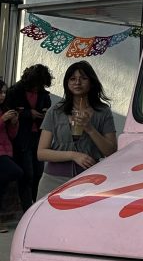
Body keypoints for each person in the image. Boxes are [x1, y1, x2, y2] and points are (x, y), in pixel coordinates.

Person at [37, 62, 117, 199]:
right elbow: (41, 153)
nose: (77, 83)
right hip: (53, 180)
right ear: (67, 83)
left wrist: (90, 128)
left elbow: (111, 151)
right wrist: (73, 155)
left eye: (83, 78)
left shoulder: (103, 112)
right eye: (72, 79)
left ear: (91, 82)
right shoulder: (55, 111)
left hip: (89, 180)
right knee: (48, 220)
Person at [6, 63, 52, 204]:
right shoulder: (15, 91)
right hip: (21, 137)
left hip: (38, 136)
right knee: (27, 175)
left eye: (41, 85)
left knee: (39, 173)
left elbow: (49, 109)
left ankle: (37, 204)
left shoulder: (43, 93)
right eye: (36, 85)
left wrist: (45, 113)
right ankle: (27, 208)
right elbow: (8, 111)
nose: (38, 88)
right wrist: (27, 113)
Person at [0, 78, 30, 224]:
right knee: (16, 172)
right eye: (0, 92)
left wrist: (14, 123)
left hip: (7, 151)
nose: (2, 95)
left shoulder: (4, 109)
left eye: (4, 92)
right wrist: (2, 119)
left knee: (8, 182)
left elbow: (11, 135)